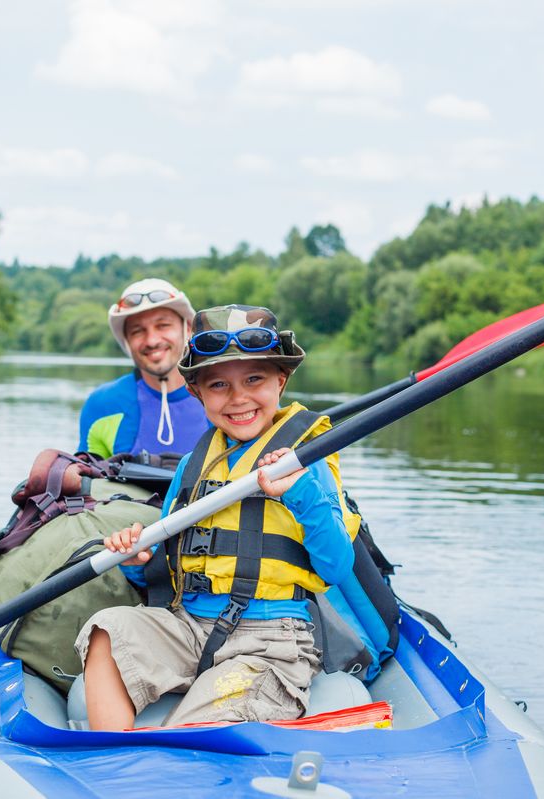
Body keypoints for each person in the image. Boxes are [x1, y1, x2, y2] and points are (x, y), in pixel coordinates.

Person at [75, 305, 358, 730]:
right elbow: (168, 569)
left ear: (281, 381)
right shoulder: (194, 465)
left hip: (271, 641)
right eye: (219, 384)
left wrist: (300, 491)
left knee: (187, 734)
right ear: (198, 393)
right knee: (107, 628)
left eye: (255, 379)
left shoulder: (306, 462)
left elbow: (336, 566)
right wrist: (140, 560)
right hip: (189, 626)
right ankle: (115, 758)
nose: (238, 397)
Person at [78, 278, 208, 458]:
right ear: (126, 341)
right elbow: (88, 476)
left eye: (163, 325)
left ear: (187, 328)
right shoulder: (102, 404)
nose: (152, 341)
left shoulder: (221, 396)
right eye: (137, 331)